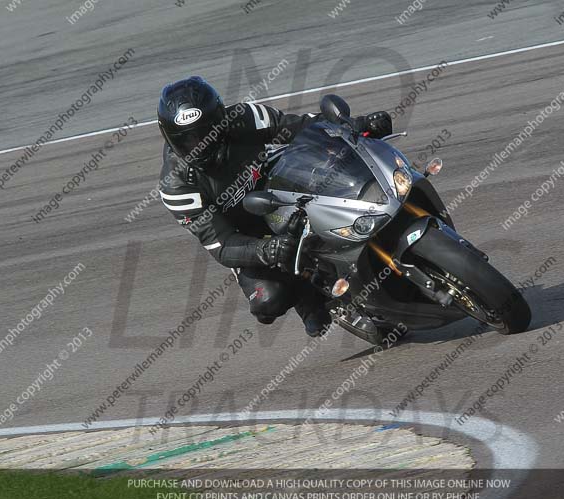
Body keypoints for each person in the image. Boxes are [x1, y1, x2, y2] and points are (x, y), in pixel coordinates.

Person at [157, 76, 392, 336]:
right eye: (187, 139)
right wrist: (267, 249)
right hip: (246, 235)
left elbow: (300, 126)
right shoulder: (177, 187)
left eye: (205, 133)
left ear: (220, 121)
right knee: (268, 300)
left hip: (286, 191)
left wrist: (357, 125)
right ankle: (308, 296)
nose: (199, 144)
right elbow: (221, 244)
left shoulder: (244, 117)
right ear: (169, 137)